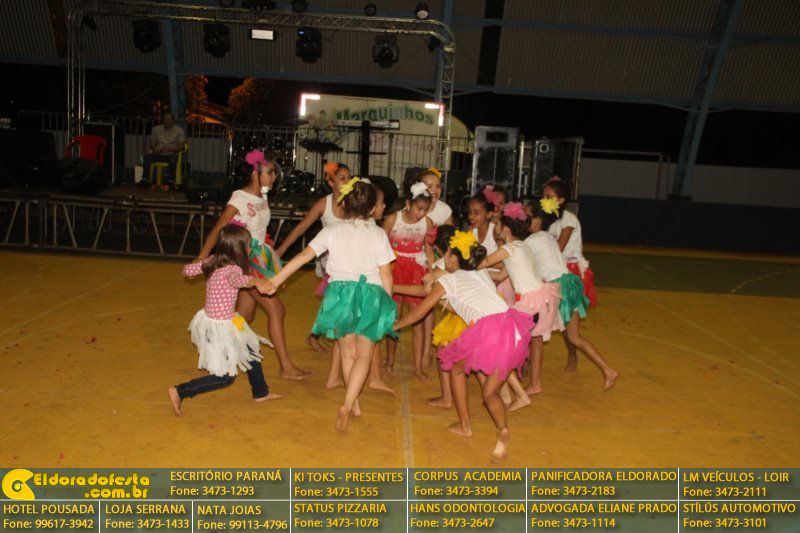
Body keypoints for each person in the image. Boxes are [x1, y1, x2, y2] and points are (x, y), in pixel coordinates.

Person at [263, 178, 397, 433]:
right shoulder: (378, 235)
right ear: (372, 209)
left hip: (339, 295)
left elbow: (304, 256)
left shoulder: (331, 232)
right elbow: (386, 274)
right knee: (365, 355)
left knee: (347, 353)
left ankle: (354, 404)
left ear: (344, 205)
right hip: (370, 294)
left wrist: (275, 280)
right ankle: (347, 404)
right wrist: (387, 305)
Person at [394, 230, 532, 462]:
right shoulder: (480, 273)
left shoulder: (448, 281)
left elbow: (420, 311)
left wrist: (396, 325)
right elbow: (456, 301)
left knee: (456, 369)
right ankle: (502, 430)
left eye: (448, 253)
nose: (445, 257)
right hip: (513, 329)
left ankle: (465, 425)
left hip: (488, 331)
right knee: (490, 393)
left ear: (454, 260)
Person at [195, 149, 310, 380]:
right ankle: (286, 367)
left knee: (245, 316)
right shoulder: (239, 198)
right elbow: (220, 227)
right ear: (256, 174)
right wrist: (202, 257)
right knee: (277, 309)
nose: (274, 176)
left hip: (258, 258)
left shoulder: (262, 196)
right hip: (246, 263)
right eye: (270, 172)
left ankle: (219, 352)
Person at [168, 224, 282, 416]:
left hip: (226, 321)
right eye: (248, 245)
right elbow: (239, 280)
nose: (250, 249)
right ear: (238, 249)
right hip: (220, 328)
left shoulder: (213, 261)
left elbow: (186, 271)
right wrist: (256, 281)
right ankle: (181, 391)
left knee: (251, 350)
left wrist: (199, 263)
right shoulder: (232, 270)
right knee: (225, 378)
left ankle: (260, 392)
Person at [525, 197, 618, 393]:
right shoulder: (548, 238)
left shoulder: (532, 241)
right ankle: (608, 371)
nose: (523, 221)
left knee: (536, 335)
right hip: (570, 284)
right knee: (574, 337)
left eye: (526, 217)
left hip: (558, 288)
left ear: (537, 219)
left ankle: (534, 382)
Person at [479, 201, 563, 408]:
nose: (496, 228)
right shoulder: (521, 246)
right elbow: (500, 275)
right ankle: (508, 394)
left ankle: (514, 395)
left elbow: (482, 263)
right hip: (539, 300)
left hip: (529, 304)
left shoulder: (508, 249)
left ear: (506, 229)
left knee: (501, 347)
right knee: (505, 346)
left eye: (498, 224)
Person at [275, 161, 351, 355]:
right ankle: (324, 336)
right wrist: (281, 250)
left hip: (350, 258)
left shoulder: (353, 202)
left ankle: (319, 335)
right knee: (335, 298)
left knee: (337, 299)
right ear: (331, 182)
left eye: (349, 178)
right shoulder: (323, 203)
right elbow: (301, 228)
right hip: (329, 260)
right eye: (342, 178)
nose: (347, 181)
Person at [543, 176, 597, 371]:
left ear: (561, 200)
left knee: (567, 320)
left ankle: (573, 354)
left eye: (548, 196)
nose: (544, 200)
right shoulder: (547, 220)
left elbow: (558, 248)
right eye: (543, 196)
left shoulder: (568, 220)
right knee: (542, 316)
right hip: (550, 270)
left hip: (568, 271)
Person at [382, 179, 433, 381]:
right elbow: (380, 245)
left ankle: (418, 366)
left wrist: (431, 271)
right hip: (395, 268)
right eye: (419, 208)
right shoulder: (393, 219)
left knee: (417, 319)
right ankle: (390, 360)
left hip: (416, 271)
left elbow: (428, 249)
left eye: (425, 210)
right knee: (394, 317)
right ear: (408, 204)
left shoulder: (427, 223)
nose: (422, 213)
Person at [468, 191, 515, 306]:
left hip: (499, 285)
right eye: (469, 212)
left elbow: (507, 263)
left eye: (476, 213)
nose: (471, 216)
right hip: (479, 283)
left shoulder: (496, 232)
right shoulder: (471, 230)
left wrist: (480, 262)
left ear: (489, 214)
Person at [143, 111, 186, 185]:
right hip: (159, 154)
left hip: (171, 153)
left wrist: (170, 149)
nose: (167, 122)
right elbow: (152, 143)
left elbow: (182, 146)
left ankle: (171, 180)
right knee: (146, 157)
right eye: (165, 119)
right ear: (163, 120)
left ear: (173, 120)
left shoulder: (179, 130)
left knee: (172, 160)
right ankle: (145, 179)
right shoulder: (156, 129)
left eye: (169, 120)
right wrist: (155, 148)